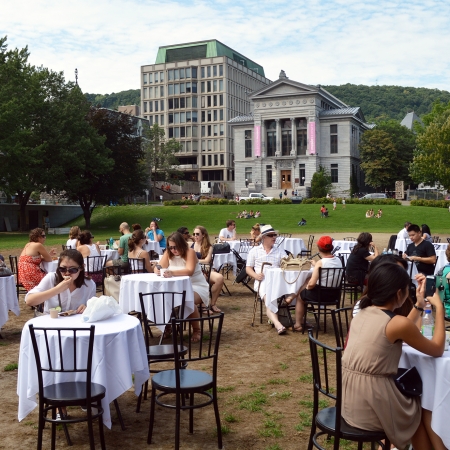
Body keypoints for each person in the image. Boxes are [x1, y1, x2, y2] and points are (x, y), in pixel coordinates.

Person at [342, 263, 446, 450]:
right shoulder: (395, 323)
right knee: (423, 405)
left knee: (418, 405)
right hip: (372, 405)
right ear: (399, 293)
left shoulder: (364, 312)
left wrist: (419, 305)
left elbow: (401, 325)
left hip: (350, 400)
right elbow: (437, 349)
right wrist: (440, 310)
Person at [155, 232, 209, 342]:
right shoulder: (169, 252)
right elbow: (160, 266)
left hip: (196, 285)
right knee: (163, 298)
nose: (173, 250)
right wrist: (157, 268)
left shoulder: (190, 252)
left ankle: (196, 330)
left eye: (176, 247)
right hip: (175, 287)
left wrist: (172, 272)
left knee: (186, 300)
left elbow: (189, 271)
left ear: (181, 245)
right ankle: (168, 327)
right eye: (171, 247)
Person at [289, 236, 343, 331]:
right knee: (306, 287)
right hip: (335, 295)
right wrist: (316, 265)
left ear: (319, 248)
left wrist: (306, 288)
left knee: (301, 297)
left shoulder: (321, 263)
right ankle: (300, 317)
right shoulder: (339, 260)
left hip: (320, 295)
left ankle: (298, 324)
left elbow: (312, 284)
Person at [25, 249, 96, 314]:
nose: (67, 273)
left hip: (76, 325)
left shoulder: (89, 284)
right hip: (52, 324)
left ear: (81, 268)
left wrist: (87, 308)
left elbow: (93, 308)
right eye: (62, 269)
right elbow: (29, 301)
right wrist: (57, 289)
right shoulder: (51, 278)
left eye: (73, 270)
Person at [246, 225, 286, 334]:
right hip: (261, 280)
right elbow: (248, 268)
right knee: (269, 298)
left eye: (275, 235)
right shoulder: (254, 251)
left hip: (277, 280)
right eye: (271, 235)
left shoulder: (280, 251)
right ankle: (278, 324)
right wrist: (255, 276)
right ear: (263, 237)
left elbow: (286, 264)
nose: (274, 237)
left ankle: (281, 321)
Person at [191, 226, 224, 313]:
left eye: (197, 234)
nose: (195, 236)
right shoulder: (190, 245)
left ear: (203, 235)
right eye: (194, 234)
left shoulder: (209, 247)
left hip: (206, 269)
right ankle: (203, 305)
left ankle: (212, 304)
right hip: (193, 270)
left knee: (220, 278)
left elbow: (207, 260)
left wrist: (194, 260)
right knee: (203, 278)